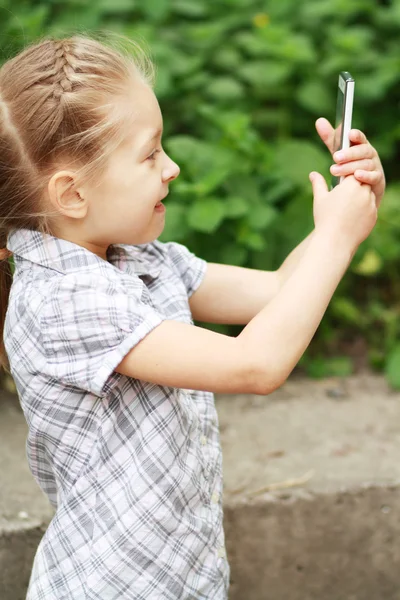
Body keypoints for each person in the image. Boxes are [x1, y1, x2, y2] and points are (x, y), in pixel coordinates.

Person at [0, 33, 385, 600]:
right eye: (150, 153)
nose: (173, 167)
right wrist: (334, 237)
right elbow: (256, 364)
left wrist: (348, 213)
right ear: (72, 195)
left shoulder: (138, 261)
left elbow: (280, 290)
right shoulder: (65, 300)